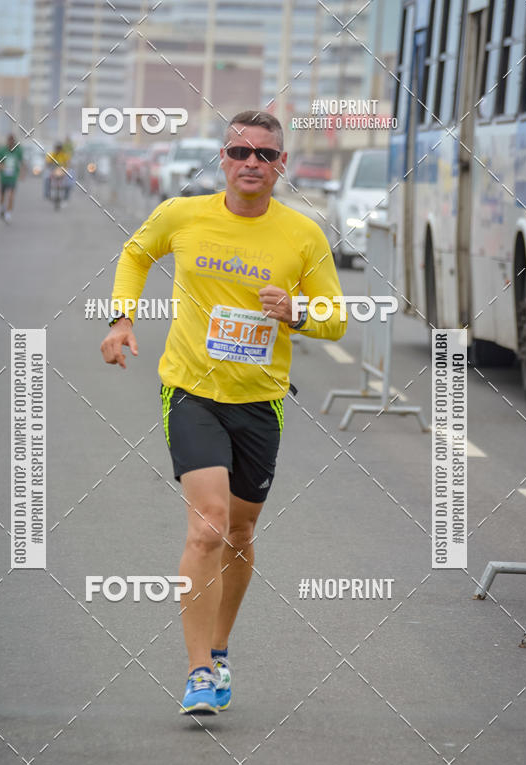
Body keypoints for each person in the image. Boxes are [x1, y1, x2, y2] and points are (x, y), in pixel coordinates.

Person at [100, 110, 346, 716]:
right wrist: (122, 318)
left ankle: (219, 646)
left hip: (260, 400)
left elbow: (337, 317)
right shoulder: (184, 215)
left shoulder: (303, 235)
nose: (251, 163)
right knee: (208, 526)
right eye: (239, 152)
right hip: (191, 390)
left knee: (238, 532)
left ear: (281, 164)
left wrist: (296, 312)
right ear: (223, 160)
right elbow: (135, 253)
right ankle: (198, 672)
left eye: (264, 154)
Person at [0, 134, 23, 223]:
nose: (10, 143)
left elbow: (21, 162)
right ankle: (2, 208)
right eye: (9, 141)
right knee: (2, 196)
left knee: (11, 196)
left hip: (12, 178)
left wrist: (21, 173)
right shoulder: (2, 151)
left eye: (12, 141)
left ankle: (8, 213)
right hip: (3, 178)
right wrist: (1, 167)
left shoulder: (18, 151)